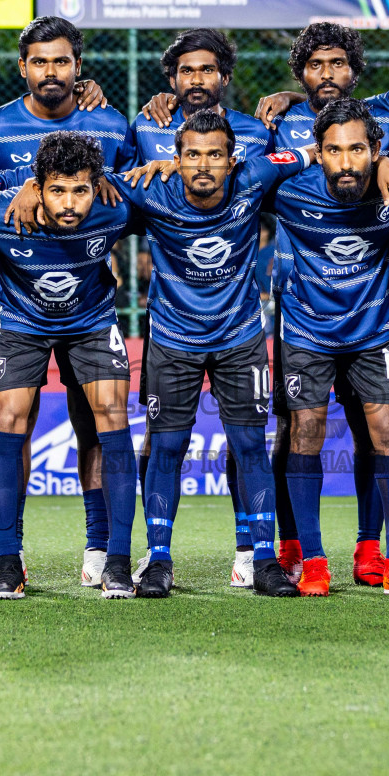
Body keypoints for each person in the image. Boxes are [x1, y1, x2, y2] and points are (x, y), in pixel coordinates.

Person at [85, 110, 314, 597]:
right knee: (166, 447)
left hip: (240, 338)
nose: (203, 165)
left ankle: (264, 559)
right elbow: (83, 179)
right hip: (172, 341)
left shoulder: (258, 173)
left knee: (250, 446)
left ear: (234, 160)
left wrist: (379, 163)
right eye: (192, 155)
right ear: (176, 158)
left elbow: (314, 153)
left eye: (214, 155)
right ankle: (160, 560)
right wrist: (23, 185)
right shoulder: (149, 188)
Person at [0, 16, 129, 590]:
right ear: (23, 68)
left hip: (90, 308)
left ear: (78, 67)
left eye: (62, 61)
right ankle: (9, 558)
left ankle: (103, 549)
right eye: (40, 61)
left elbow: (133, 184)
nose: (51, 71)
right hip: (20, 309)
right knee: (15, 423)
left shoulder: (110, 123)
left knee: (100, 424)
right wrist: (25, 185)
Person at [273, 98, 389, 598]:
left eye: (357, 149)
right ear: (318, 151)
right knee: (305, 432)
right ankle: (313, 561)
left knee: (385, 432)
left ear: (375, 150)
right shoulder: (290, 190)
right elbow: (234, 172)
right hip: (307, 333)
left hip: (373, 333)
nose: (345, 161)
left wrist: (388, 165)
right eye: (333, 150)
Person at [131, 27, 274, 163]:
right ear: (173, 80)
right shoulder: (146, 126)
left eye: (207, 70)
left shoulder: (257, 133)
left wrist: (293, 96)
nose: (197, 81)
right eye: (187, 71)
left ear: (224, 77)